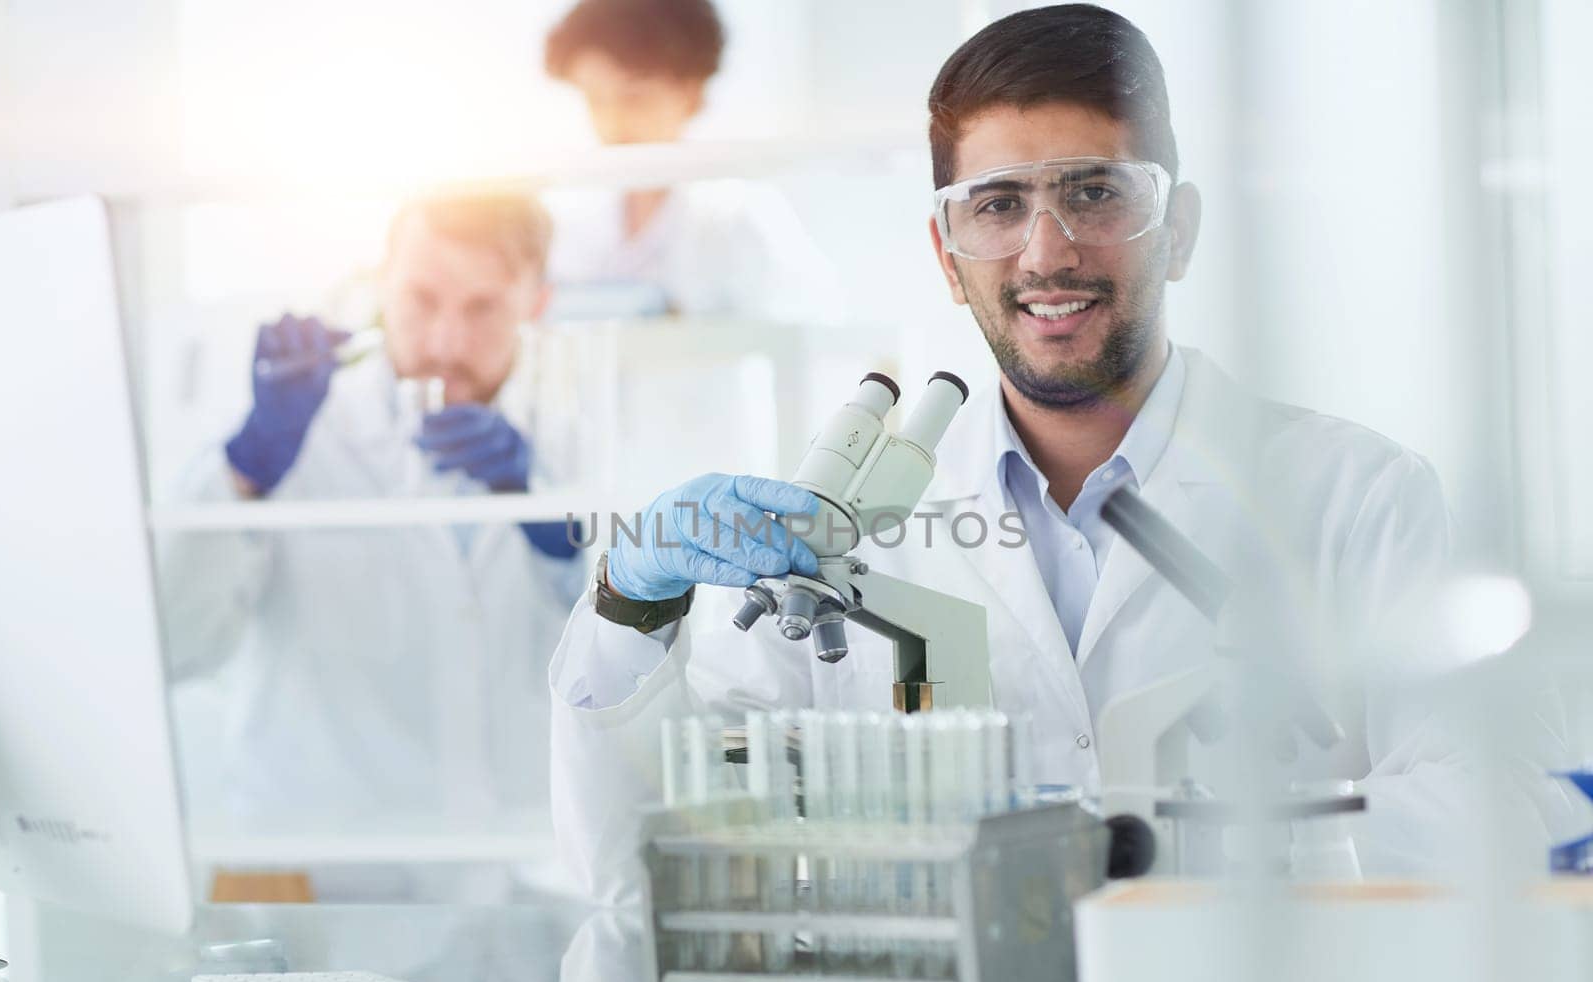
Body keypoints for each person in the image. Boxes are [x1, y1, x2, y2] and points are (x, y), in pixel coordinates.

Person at [546, 4, 1571, 904]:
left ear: (1176, 232)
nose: (1046, 252)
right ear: (948, 259)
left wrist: (1178, 851)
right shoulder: (850, 535)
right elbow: (646, 867)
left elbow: (1490, 802)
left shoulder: (1354, 496)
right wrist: (630, 609)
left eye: (1094, 194)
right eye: (997, 206)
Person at [159, 192, 582, 901]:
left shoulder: (572, 445)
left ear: (536, 302)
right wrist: (249, 468)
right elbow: (175, 641)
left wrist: (554, 532)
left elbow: (631, 659)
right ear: (380, 284)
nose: (447, 341)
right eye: (421, 299)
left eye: (483, 309)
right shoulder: (301, 437)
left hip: (518, 884)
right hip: (326, 888)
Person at [541, 0, 840, 322]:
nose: (612, 125)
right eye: (596, 101)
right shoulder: (568, 224)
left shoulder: (737, 220)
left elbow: (808, 332)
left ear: (691, 94)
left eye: (634, 97)